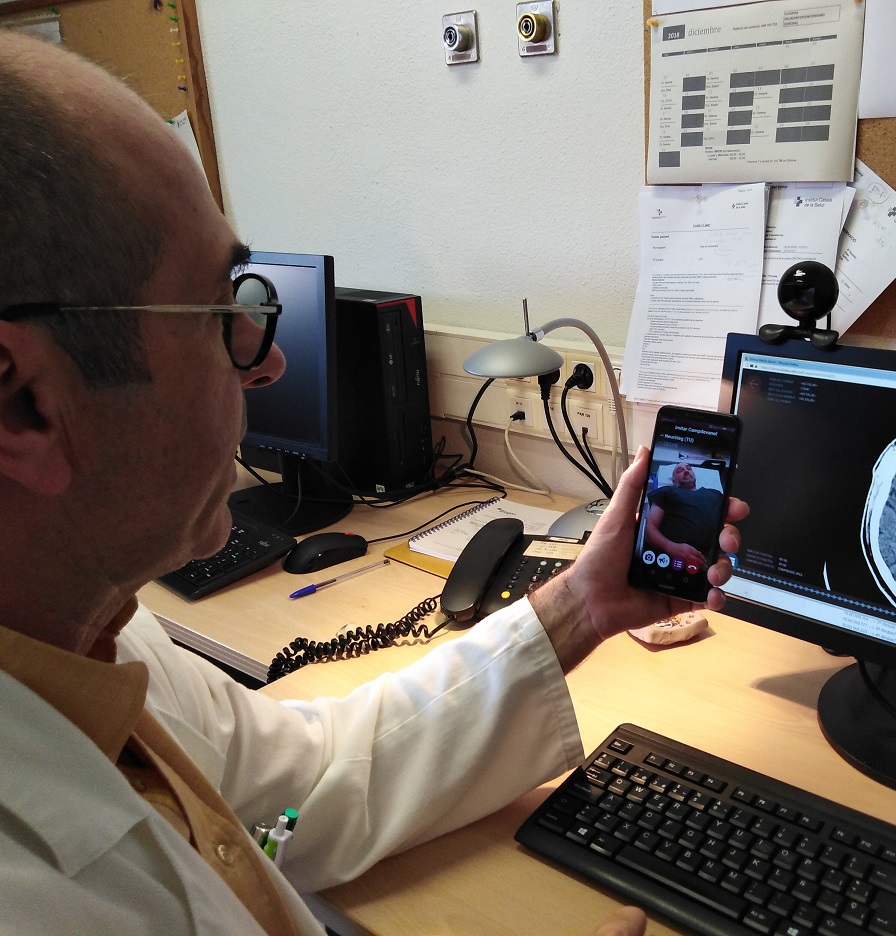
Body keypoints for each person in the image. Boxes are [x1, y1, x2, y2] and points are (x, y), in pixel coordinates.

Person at [0, 31, 747, 936]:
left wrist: (582, 603)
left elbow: (303, 790)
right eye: (218, 310)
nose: (267, 360)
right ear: (26, 407)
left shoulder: (97, 640)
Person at [643, 462, 726, 574]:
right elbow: (649, 528)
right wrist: (673, 548)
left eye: (688, 468)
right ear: (673, 480)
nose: (686, 471)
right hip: (668, 561)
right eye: (679, 470)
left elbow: (728, 521)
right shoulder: (667, 492)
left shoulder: (715, 494)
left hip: (709, 565)